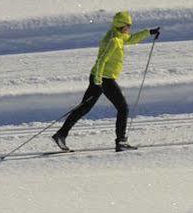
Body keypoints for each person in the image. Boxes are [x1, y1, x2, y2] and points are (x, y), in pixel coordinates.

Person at [51, 11, 160, 152]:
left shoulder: (119, 36)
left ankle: (61, 134)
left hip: (100, 77)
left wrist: (149, 32)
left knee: (84, 108)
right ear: (121, 26)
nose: (129, 28)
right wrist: (98, 80)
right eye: (128, 25)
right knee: (123, 108)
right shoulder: (114, 40)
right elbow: (102, 59)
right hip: (104, 78)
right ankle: (121, 141)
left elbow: (131, 39)